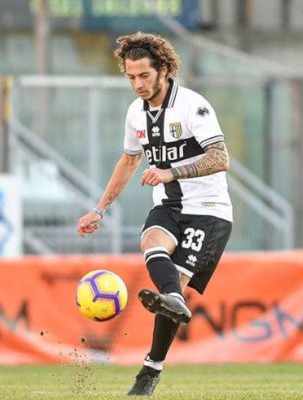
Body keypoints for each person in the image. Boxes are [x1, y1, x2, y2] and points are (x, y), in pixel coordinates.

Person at [77, 32, 233, 396]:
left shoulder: (193, 106)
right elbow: (130, 160)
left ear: (163, 70)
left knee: (173, 286)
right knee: (151, 242)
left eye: (144, 75)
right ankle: (172, 301)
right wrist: (100, 208)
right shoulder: (136, 112)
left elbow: (220, 157)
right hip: (168, 206)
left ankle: (151, 368)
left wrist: (171, 172)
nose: (138, 84)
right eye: (131, 77)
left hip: (208, 212)